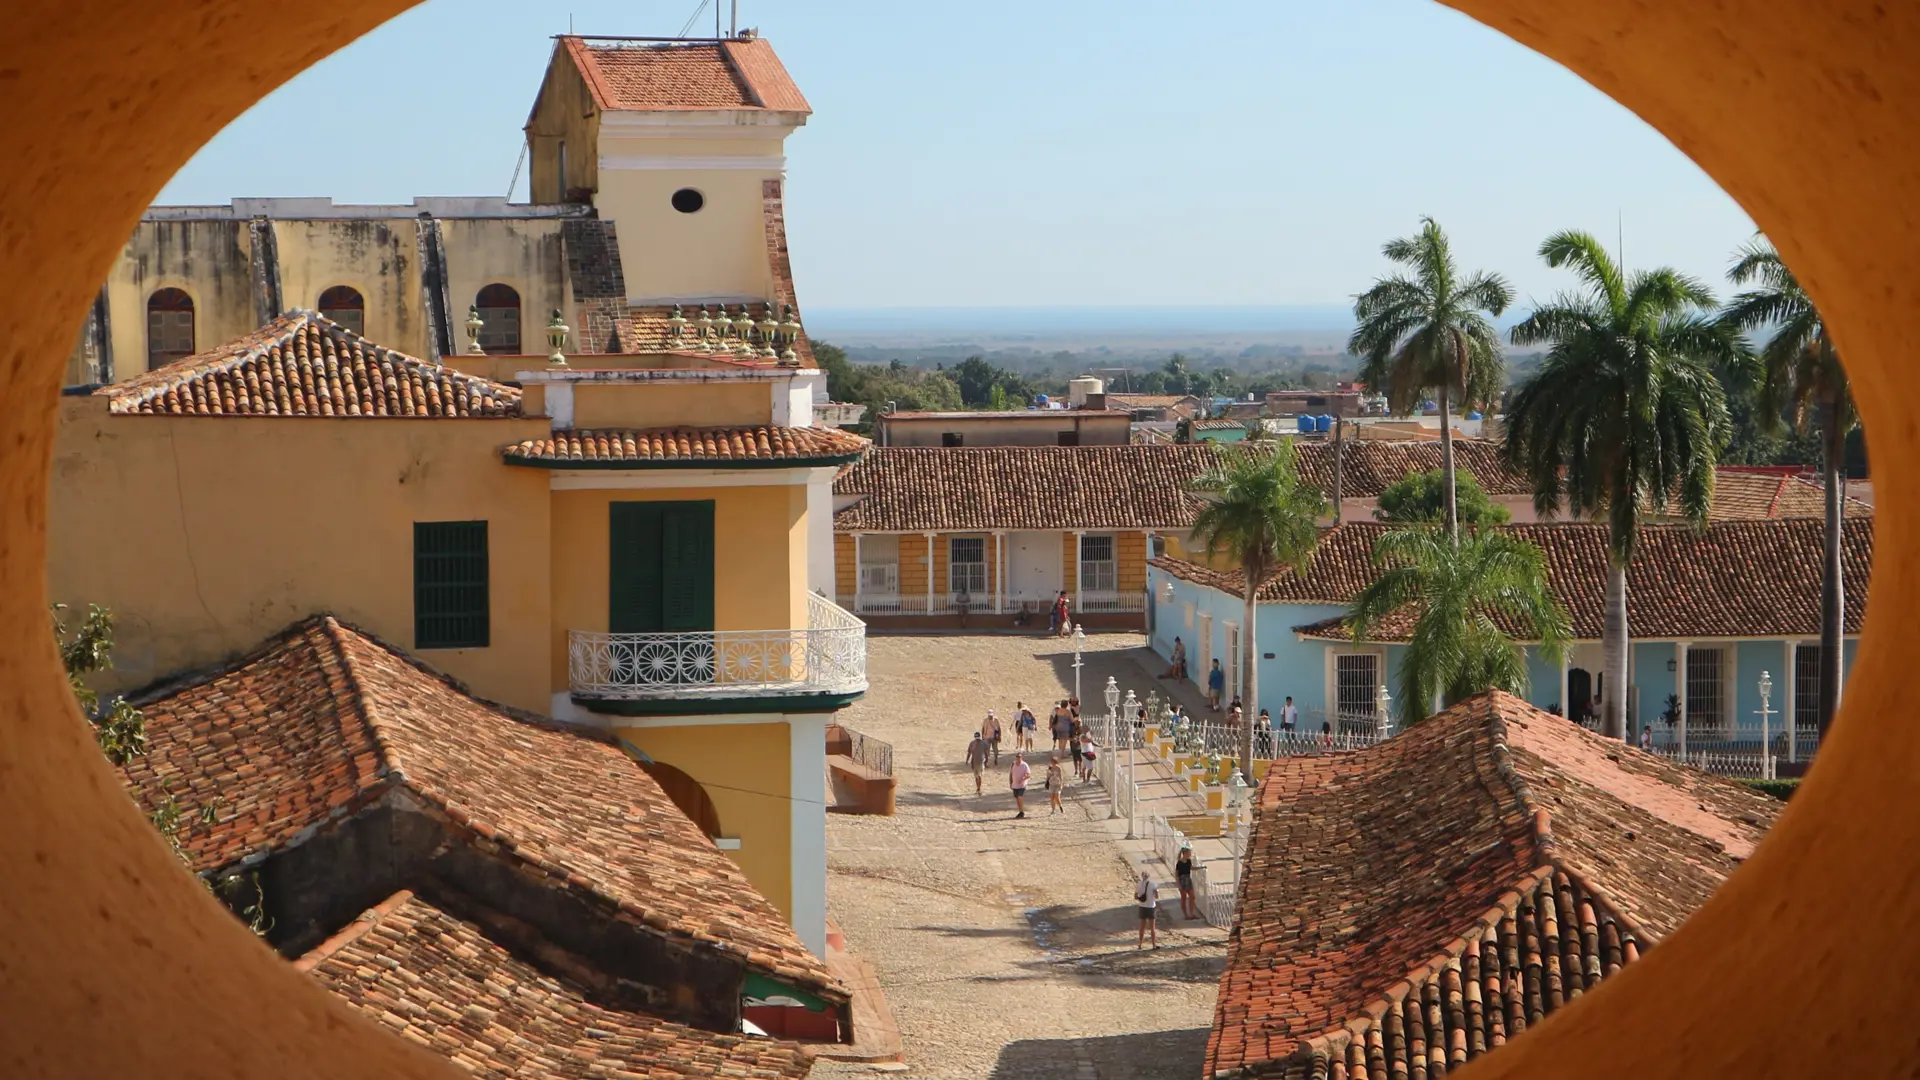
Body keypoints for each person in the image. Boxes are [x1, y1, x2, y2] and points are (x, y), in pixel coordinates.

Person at [1135, 869, 1160, 949]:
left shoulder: (1139, 884)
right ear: (1149, 876)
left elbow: (1135, 896)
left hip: (1142, 906)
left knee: (1142, 926)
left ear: (1142, 876)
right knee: (1152, 927)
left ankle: (1140, 944)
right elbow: (1157, 896)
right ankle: (1153, 944)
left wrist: (1141, 898)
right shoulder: (1153, 884)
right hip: (1151, 907)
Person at [1175, 843, 1198, 920]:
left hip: (1188, 879)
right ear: (1185, 853)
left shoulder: (1189, 861)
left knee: (1192, 896)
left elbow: (1191, 868)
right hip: (1182, 880)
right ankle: (1186, 915)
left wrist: (1199, 868)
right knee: (1184, 898)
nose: (1190, 854)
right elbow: (1177, 875)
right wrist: (1179, 885)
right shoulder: (1179, 863)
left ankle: (1191, 914)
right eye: (1189, 853)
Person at [1009, 753, 1032, 819]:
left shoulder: (1024, 765)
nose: (1018, 758)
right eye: (1017, 757)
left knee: (1019, 797)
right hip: (1015, 784)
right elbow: (1011, 774)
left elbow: (1029, 775)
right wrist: (1010, 782)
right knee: (1017, 798)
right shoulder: (1013, 764)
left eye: (1020, 757)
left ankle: (1021, 811)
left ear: (1021, 758)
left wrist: (1023, 778)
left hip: (1022, 785)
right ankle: (1020, 811)